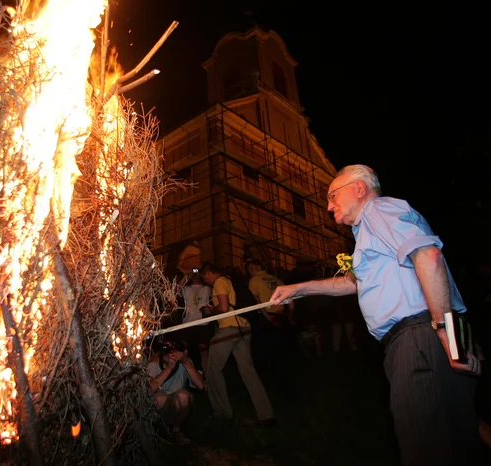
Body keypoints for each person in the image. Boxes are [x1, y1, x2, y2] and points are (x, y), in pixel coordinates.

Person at [269, 164, 484, 466]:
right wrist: (298, 289)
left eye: (333, 195)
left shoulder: (377, 211)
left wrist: (444, 330)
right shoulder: (372, 229)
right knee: (455, 444)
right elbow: (354, 283)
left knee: (426, 450)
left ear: (358, 188)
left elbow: (428, 255)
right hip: (422, 339)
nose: (328, 205)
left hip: (420, 338)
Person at [200, 262, 275, 426]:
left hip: (229, 329)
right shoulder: (229, 280)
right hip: (243, 328)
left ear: (209, 273)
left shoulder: (219, 282)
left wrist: (210, 310)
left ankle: (222, 413)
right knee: (248, 371)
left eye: (204, 276)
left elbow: (224, 307)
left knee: (212, 370)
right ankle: (266, 414)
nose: (205, 280)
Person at [147, 340, 204, 445]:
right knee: (160, 398)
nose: (170, 353)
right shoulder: (153, 363)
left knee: (183, 396)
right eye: (166, 349)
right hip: (159, 406)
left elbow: (200, 385)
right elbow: (149, 390)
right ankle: (156, 430)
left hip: (176, 406)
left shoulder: (183, 362)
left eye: (173, 349)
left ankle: (176, 430)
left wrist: (186, 361)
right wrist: (169, 368)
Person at [245, 259, 295, 374]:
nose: (249, 271)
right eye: (248, 269)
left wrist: (267, 317)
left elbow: (257, 300)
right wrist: (290, 315)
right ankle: (283, 372)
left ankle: (269, 373)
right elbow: (290, 299)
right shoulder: (276, 279)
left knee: (265, 348)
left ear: (259, 267)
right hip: (280, 315)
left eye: (251, 268)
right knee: (280, 348)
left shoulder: (254, 280)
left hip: (266, 317)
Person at [180, 271, 213, 372]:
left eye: (198, 272)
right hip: (187, 323)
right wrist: (186, 276)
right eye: (193, 273)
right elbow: (175, 289)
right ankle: (185, 375)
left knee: (204, 352)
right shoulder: (186, 288)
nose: (195, 274)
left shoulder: (206, 288)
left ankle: (206, 376)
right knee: (183, 351)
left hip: (202, 324)